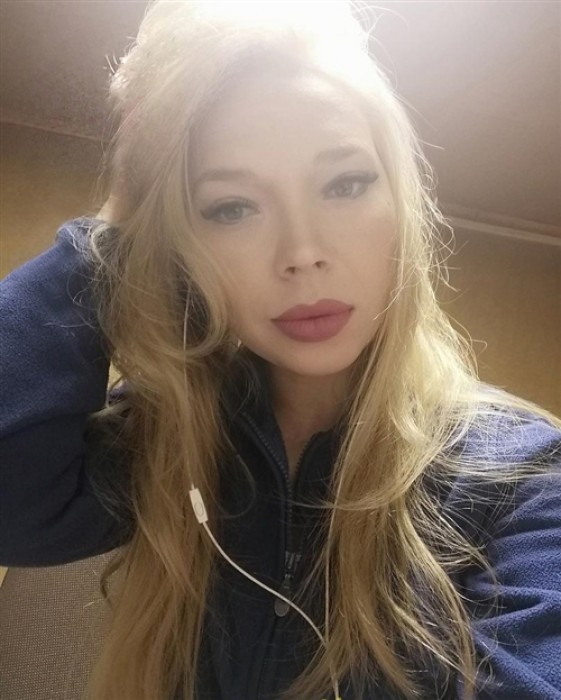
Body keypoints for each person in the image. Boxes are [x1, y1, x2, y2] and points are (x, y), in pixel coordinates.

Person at [1, 1, 560, 699]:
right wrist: (115, 227)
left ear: (402, 204)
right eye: (231, 207)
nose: (302, 252)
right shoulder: (167, 437)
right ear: (183, 248)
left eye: (345, 184)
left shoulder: (525, 476)